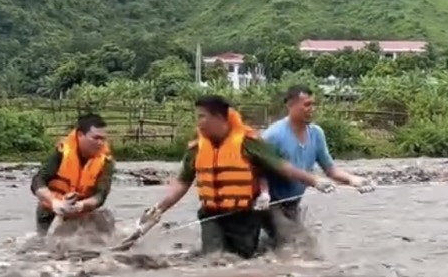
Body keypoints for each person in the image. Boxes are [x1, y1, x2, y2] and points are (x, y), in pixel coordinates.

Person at [138, 95, 335, 259]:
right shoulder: (197, 148)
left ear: (219, 118)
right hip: (211, 215)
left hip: (245, 216)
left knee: (242, 260)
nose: (199, 123)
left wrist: (315, 181)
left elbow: (282, 167)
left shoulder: (248, 143)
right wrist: (159, 208)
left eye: (202, 117)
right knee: (212, 260)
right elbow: (182, 183)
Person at [261, 85, 375, 248]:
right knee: (294, 245)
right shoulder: (273, 135)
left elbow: (331, 170)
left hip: (293, 203)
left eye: (313, 104)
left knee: (300, 244)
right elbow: (267, 168)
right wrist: (313, 180)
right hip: (271, 203)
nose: (312, 109)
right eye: (307, 104)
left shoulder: (316, 133)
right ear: (291, 105)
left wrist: (354, 180)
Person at [30, 113, 116, 237]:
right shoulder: (61, 153)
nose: (100, 143)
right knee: (43, 247)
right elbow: (38, 181)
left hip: (81, 210)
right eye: (96, 138)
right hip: (52, 209)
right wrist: (55, 202)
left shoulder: (106, 161)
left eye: (103, 139)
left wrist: (81, 205)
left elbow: (100, 195)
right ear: (80, 135)